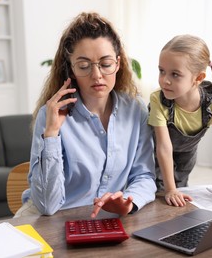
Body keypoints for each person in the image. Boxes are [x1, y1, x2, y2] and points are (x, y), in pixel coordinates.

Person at [15, 12, 156, 218]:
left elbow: (144, 175)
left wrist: (129, 203)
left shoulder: (136, 109)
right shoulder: (51, 115)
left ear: (118, 64)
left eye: (106, 64)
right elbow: (47, 205)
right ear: (71, 69)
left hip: (104, 218)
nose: (97, 75)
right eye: (84, 66)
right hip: (49, 219)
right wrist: (52, 133)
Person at [148, 34, 212, 207]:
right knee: (159, 195)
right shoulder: (158, 100)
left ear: (198, 78)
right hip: (155, 154)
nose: (165, 80)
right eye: (162, 71)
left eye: (175, 74)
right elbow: (163, 146)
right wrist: (170, 189)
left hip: (187, 155)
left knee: (181, 194)